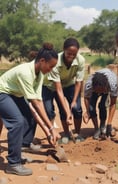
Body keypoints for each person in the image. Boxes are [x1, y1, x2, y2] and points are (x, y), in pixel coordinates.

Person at [0, 43, 60, 176]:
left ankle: (20, 148)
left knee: (29, 116)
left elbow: (39, 101)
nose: (51, 69)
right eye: (51, 66)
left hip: (15, 94)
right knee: (17, 122)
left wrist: (49, 131)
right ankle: (13, 164)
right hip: (2, 93)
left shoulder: (39, 74)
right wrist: (51, 128)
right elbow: (36, 103)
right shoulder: (25, 72)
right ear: (42, 61)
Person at [43, 37, 85, 143]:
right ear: (63, 49)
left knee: (77, 109)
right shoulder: (56, 61)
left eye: (74, 54)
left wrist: (74, 101)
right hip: (52, 86)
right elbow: (59, 89)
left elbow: (78, 82)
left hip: (69, 84)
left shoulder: (81, 60)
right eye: (68, 53)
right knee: (62, 110)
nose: (71, 56)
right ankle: (66, 134)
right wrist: (67, 112)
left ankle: (77, 133)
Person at [83, 68, 118, 140]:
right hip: (95, 90)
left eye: (101, 90)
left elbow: (113, 104)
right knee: (91, 108)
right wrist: (87, 112)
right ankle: (96, 128)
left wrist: (109, 124)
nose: (100, 92)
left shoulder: (113, 85)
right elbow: (86, 98)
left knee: (102, 105)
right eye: (98, 90)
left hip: (107, 86)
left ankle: (103, 126)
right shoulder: (89, 85)